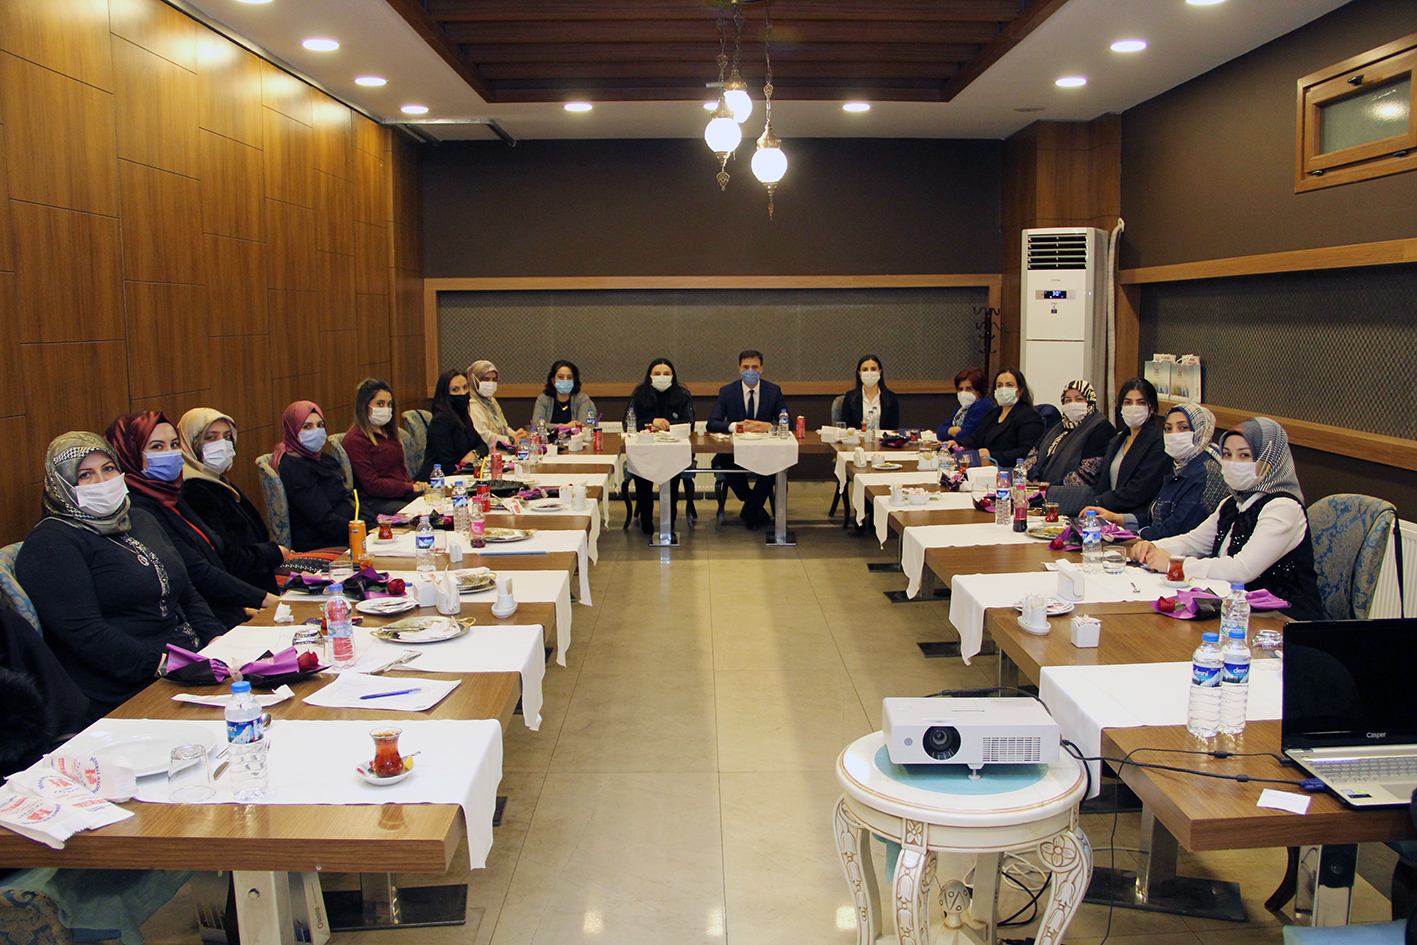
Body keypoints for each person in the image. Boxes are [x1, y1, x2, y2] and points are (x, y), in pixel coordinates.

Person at [15, 433, 227, 717]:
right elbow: (86, 633)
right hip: (125, 687)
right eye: (85, 475)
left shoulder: (139, 518)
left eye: (108, 469)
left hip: (192, 663)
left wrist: (215, 639)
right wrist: (167, 664)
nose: (102, 481)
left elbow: (186, 590)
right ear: (61, 485)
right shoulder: (50, 543)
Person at [1128, 417, 1323, 620]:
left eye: (1244, 455)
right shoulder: (1233, 502)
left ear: (1269, 461)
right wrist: (1153, 547)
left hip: (1282, 618)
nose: (1232, 463)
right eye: (1228, 455)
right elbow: (1195, 541)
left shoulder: (1283, 508)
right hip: (1234, 607)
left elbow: (1241, 570)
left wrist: (1174, 565)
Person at [106, 412, 276, 630]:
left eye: (174, 444)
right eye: (157, 447)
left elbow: (211, 554)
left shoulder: (168, 494)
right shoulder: (138, 508)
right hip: (194, 623)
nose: (170, 453)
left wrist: (241, 607)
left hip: (224, 608)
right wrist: (265, 600)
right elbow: (194, 571)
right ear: (129, 453)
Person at [178, 408, 287, 595]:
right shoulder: (195, 491)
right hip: (241, 594)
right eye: (211, 438)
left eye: (227, 437)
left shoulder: (217, 482)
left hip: (256, 581)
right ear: (189, 443)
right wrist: (273, 552)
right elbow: (224, 558)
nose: (222, 444)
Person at [1087, 403, 1227, 541]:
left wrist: (1132, 536)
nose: (1174, 434)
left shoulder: (1208, 473)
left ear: (1201, 431)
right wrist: (1118, 519)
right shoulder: (1178, 466)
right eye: (1168, 428)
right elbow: (1157, 517)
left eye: (1183, 428)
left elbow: (1177, 529)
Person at [707, 349, 787, 529]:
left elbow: (786, 421)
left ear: (762, 369)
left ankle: (751, 508)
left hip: (764, 451)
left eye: (755, 367)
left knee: (777, 463)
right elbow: (712, 423)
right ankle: (753, 506)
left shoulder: (773, 391)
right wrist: (737, 426)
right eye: (746, 367)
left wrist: (769, 426)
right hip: (734, 452)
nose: (750, 371)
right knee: (724, 460)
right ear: (739, 369)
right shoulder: (727, 391)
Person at [275, 400, 368, 552]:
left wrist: (374, 523)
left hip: (348, 530)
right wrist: (364, 531)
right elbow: (324, 521)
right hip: (322, 541)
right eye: (307, 427)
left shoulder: (323, 459)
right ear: (292, 431)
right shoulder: (294, 467)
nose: (316, 431)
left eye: (320, 425)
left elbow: (347, 500)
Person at [1077, 377, 1167, 516]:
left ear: (1153, 408)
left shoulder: (1158, 444)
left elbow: (1139, 490)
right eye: (1128, 402)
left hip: (1133, 517)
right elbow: (1102, 481)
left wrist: (1100, 502)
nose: (1133, 408)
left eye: (1141, 403)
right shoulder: (1117, 441)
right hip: (1105, 513)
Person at [625, 358, 695, 534]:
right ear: (650, 376)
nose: (661, 377)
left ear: (673, 376)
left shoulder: (683, 395)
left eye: (666, 373)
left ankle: (669, 523)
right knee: (643, 481)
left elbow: (690, 423)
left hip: (673, 451)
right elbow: (627, 423)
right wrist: (651, 423)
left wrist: (667, 425)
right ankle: (646, 521)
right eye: (657, 373)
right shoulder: (639, 394)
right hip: (645, 451)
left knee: (672, 482)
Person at [342, 378, 427, 517]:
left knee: (435, 500)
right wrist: (409, 487)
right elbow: (372, 484)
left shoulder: (389, 432)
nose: (386, 409)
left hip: (399, 493)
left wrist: (414, 485)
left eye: (389, 404)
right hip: (374, 500)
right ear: (365, 406)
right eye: (380, 404)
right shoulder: (355, 440)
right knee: (417, 513)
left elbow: (399, 471)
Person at [1019, 380, 1115, 486]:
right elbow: (1032, 456)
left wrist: (1049, 487)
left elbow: (1089, 473)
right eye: (1068, 400)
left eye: (1079, 399)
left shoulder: (1100, 428)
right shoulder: (1058, 426)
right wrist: (1035, 480)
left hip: (1070, 493)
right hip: (1038, 488)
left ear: (1090, 401)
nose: (1073, 404)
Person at [946, 367, 1044, 466]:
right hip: (986, 468)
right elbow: (975, 438)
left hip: (1010, 470)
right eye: (999, 385)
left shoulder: (1029, 416)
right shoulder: (993, 414)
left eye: (1009, 385)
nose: (1003, 389)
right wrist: (958, 443)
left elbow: (1026, 452)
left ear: (1020, 390)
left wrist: (992, 455)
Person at [426, 368, 489, 472]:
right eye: (455, 390)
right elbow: (449, 466)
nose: (462, 393)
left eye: (465, 387)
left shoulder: (463, 416)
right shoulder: (440, 421)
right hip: (438, 478)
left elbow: (483, 446)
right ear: (445, 394)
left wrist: (474, 454)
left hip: (462, 475)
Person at [466, 360, 528, 452]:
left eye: (494, 380)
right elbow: (483, 436)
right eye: (486, 379)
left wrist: (518, 436)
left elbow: (503, 426)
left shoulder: (491, 400)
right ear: (474, 380)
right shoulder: (472, 403)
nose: (491, 383)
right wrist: (510, 440)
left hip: (499, 451)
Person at [532, 360, 597, 429]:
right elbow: (537, 424)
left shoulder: (582, 399)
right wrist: (565, 426)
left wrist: (553, 426)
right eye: (561, 377)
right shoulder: (543, 399)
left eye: (569, 377)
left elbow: (584, 425)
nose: (565, 380)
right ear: (553, 381)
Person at [840, 354, 899, 431]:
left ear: (879, 372)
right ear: (860, 373)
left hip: (882, 438)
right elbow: (846, 427)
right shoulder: (850, 397)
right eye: (865, 369)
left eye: (873, 369)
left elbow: (894, 428)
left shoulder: (891, 398)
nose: (869, 373)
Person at [937, 367, 992, 442]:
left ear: (979, 391)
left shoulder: (982, 406)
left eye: (969, 389)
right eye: (960, 389)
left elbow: (965, 435)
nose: (963, 393)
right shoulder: (961, 409)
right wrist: (950, 430)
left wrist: (951, 433)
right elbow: (940, 432)